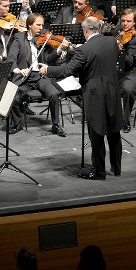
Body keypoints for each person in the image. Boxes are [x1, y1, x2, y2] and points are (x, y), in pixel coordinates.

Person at [41, 16, 123, 179]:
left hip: (95, 93)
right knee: (113, 130)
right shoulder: (111, 41)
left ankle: (99, 172)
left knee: (97, 131)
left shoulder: (84, 50)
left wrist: (48, 69)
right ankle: (116, 168)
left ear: (86, 31)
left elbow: (67, 70)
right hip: (113, 89)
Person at [19, 12, 67, 137]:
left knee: (54, 93)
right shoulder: (20, 39)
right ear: (29, 25)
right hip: (24, 77)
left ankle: (56, 125)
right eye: (38, 25)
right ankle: (17, 124)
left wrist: (59, 49)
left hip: (39, 77)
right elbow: (12, 58)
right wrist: (18, 70)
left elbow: (48, 59)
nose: (42, 28)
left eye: (42, 25)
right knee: (13, 96)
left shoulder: (42, 41)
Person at [116, 8, 136, 132]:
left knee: (128, 89)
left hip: (131, 72)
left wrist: (120, 50)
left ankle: (125, 120)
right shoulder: (118, 33)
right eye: (123, 21)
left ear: (134, 22)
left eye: (128, 21)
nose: (125, 24)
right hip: (116, 70)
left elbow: (129, 61)